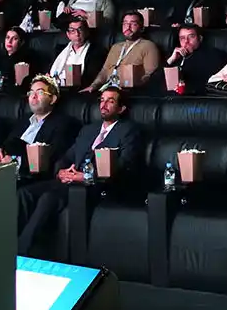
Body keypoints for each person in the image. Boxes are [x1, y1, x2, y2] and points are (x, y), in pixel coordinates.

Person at [17, 85, 146, 256]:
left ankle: (21, 253)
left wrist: (85, 176)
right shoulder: (89, 130)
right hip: (70, 180)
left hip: (97, 185)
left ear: (121, 108)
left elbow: (124, 165)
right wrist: (61, 171)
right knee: (24, 193)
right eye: (102, 100)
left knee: (49, 198)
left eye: (110, 101)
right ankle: (7, 243)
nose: (103, 104)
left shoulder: (129, 131)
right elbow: (67, 156)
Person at [84, 11, 163, 89]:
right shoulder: (116, 47)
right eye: (125, 23)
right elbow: (104, 71)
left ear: (142, 28)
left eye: (133, 24)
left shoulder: (148, 46)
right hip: (108, 87)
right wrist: (93, 86)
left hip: (130, 89)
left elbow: (151, 75)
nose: (128, 27)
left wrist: (133, 82)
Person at [164, 22, 227, 93]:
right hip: (169, 98)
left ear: (200, 38)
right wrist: (170, 60)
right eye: (182, 38)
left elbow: (204, 83)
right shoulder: (175, 54)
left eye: (191, 37)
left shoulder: (213, 55)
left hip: (194, 99)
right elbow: (155, 80)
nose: (186, 41)